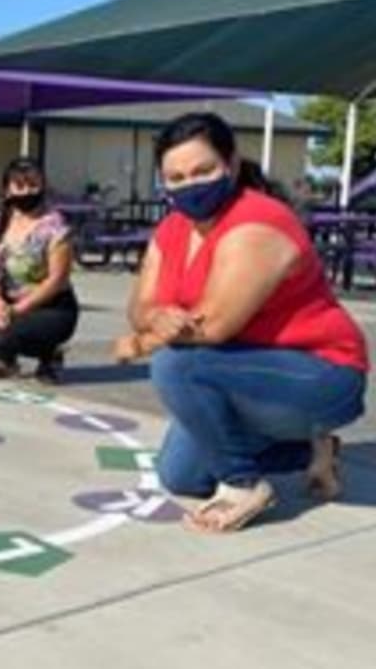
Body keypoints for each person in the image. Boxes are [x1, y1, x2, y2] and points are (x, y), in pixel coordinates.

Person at [115, 112, 368, 533]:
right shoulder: (172, 228)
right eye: (176, 178)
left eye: (203, 171)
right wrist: (155, 316)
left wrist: (142, 342)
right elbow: (140, 304)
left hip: (320, 374)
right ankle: (313, 451)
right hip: (241, 374)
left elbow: (214, 327)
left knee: (176, 364)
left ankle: (243, 484)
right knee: (181, 477)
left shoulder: (259, 222)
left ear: (231, 165)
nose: (190, 185)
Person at [0, 158, 78, 384]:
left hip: (50, 305)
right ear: (7, 190)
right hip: (7, 298)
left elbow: (57, 279)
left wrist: (16, 311)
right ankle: (6, 360)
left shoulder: (55, 226)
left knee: (6, 332)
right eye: (20, 186)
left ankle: (49, 355)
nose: (27, 191)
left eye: (34, 185)